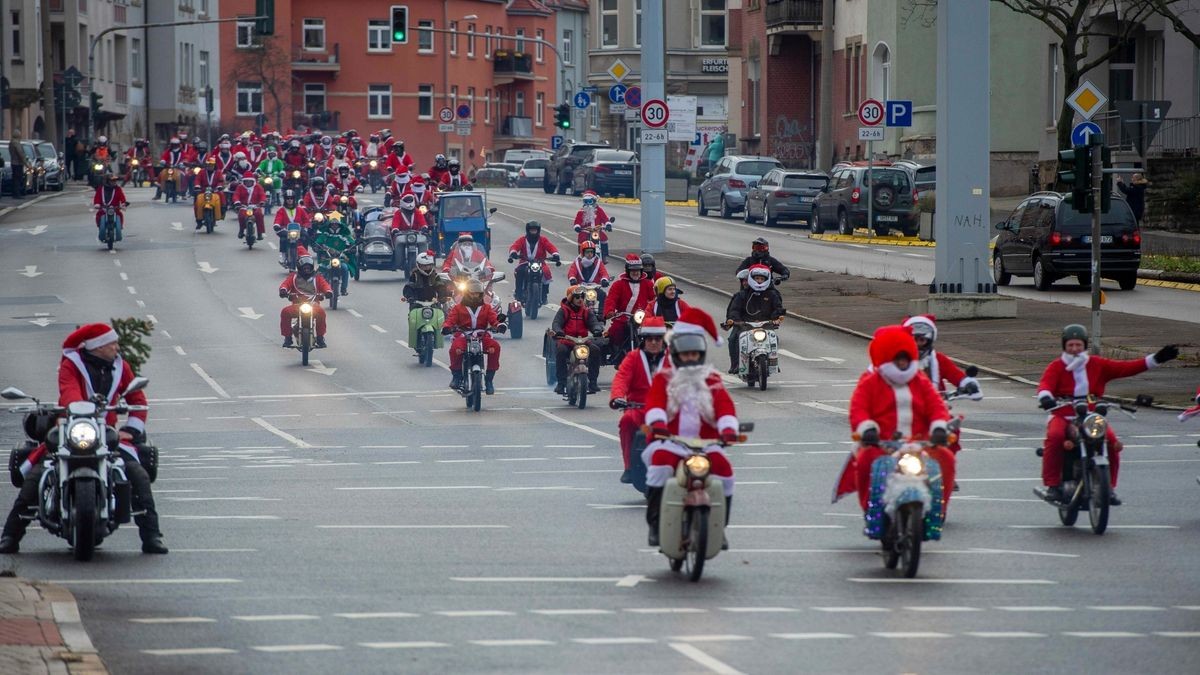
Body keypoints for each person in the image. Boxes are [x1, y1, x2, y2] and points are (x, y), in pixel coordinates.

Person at [0, 323, 167, 555]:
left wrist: (131, 429)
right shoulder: (71, 364)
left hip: (106, 432)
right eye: (112, 343)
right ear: (97, 347)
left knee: (137, 474)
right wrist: (77, 410)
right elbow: (69, 392)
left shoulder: (121, 367)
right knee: (38, 474)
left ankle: (152, 536)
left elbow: (137, 399)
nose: (117, 348)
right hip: (73, 427)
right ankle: (10, 535)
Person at [1036, 324, 1177, 505]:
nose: (1074, 349)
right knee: (1055, 437)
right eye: (1070, 345)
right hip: (1063, 415)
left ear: (1084, 345)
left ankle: (1108, 488)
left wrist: (1156, 359)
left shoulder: (1097, 364)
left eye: (1078, 345)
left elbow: (1127, 367)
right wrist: (1046, 398)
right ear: (1064, 346)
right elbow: (1045, 385)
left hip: (1091, 416)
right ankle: (1053, 486)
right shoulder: (1056, 366)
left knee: (1111, 442)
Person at [643, 308, 738, 547]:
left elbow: (724, 405)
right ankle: (655, 524)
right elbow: (655, 402)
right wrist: (658, 425)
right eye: (686, 355)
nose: (690, 358)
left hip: (706, 445)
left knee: (726, 472)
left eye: (695, 353)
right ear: (676, 354)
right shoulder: (664, 378)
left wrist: (728, 429)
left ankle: (719, 527)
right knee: (659, 466)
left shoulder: (712, 379)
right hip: (672, 443)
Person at [836, 325, 954, 511]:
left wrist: (939, 427)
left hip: (920, 443)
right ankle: (871, 510)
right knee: (867, 462)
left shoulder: (920, 381)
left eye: (906, 360)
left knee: (946, 459)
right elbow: (858, 409)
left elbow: (936, 406)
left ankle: (938, 509)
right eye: (897, 360)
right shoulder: (871, 383)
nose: (902, 364)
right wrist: (867, 429)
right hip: (883, 444)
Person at [610, 316, 669, 482]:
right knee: (626, 421)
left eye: (657, 338)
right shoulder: (633, 358)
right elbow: (621, 378)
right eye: (649, 338)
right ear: (643, 339)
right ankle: (628, 467)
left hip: (666, 410)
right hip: (638, 408)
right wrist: (617, 397)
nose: (654, 342)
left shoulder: (673, 358)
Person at [443, 278, 505, 394]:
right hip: (463, 336)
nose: (475, 296)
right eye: (472, 293)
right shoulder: (458, 308)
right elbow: (450, 320)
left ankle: (489, 380)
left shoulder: (487, 308)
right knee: (455, 349)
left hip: (482, 337)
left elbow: (494, 319)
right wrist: (446, 327)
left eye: (477, 293)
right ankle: (456, 376)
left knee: (495, 347)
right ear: (467, 294)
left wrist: (499, 325)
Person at [724, 264, 785, 374]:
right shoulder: (742, 295)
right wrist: (735, 320)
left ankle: (773, 362)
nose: (759, 281)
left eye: (762, 279)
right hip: (745, 324)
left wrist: (776, 318)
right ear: (751, 279)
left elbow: (778, 308)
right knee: (733, 339)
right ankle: (736, 364)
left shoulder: (772, 294)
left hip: (765, 324)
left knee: (774, 338)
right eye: (757, 278)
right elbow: (734, 310)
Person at [551, 285, 605, 395]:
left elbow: (594, 322)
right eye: (577, 297)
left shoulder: (586, 311)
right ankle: (561, 383)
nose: (580, 299)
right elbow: (556, 323)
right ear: (571, 298)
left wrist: (597, 329)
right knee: (560, 351)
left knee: (595, 350)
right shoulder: (564, 311)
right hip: (567, 340)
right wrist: (559, 331)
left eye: (582, 296)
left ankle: (593, 382)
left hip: (583, 341)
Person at [279, 250, 332, 349]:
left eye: (309, 268)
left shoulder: (318, 277)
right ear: (299, 268)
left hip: (314, 306)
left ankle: (320, 337)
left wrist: (328, 292)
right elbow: (285, 284)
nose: (307, 270)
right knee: (285, 312)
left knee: (322, 313)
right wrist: (283, 291)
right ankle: (287, 338)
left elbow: (325, 285)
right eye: (304, 268)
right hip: (297, 306)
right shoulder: (293, 277)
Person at [603, 254, 655, 355]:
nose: (635, 273)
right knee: (615, 331)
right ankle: (617, 350)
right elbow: (611, 299)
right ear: (628, 271)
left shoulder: (648, 284)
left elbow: (654, 299)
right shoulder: (618, 285)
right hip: (623, 317)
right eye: (633, 271)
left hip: (642, 318)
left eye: (638, 270)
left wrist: (656, 311)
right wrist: (610, 311)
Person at [507, 221, 561, 303]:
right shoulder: (522, 240)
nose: (533, 232)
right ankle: (518, 293)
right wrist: (513, 253)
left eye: (535, 230)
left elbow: (550, 247)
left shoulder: (543, 240)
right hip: (525, 262)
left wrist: (555, 254)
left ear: (538, 231)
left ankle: (544, 295)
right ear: (528, 230)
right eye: (531, 230)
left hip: (540, 262)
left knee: (546, 272)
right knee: (519, 271)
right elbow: (515, 246)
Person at [314, 214, 357, 295]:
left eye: (336, 224)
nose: (334, 226)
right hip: (327, 259)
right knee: (321, 270)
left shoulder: (345, 235)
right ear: (330, 225)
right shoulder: (325, 235)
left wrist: (352, 248)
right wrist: (317, 247)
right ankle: (321, 288)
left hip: (341, 259)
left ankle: (343, 289)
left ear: (339, 225)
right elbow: (318, 242)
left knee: (344, 268)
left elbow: (352, 243)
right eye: (332, 224)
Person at [273, 190, 312, 264]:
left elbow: (306, 220)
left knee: (305, 237)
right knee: (283, 239)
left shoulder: (300, 209)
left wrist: (306, 226)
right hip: (286, 231)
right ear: (285, 199)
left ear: (294, 199)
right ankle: (283, 255)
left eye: (291, 198)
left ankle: (305, 254)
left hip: (299, 230)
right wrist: (277, 225)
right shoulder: (281, 210)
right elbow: (278, 219)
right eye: (287, 198)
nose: (289, 200)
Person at [573, 192, 612, 257]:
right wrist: (577, 227)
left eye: (590, 201)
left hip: (597, 231)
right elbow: (577, 221)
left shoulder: (599, 210)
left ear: (594, 201)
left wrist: (608, 224)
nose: (588, 204)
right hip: (585, 231)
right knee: (582, 240)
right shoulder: (581, 212)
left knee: (604, 239)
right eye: (586, 201)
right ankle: (581, 256)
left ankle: (604, 256)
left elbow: (605, 218)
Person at [92, 173, 129, 242]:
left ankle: (119, 228)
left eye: (115, 180)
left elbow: (122, 197)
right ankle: (101, 228)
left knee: (120, 215)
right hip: (103, 209)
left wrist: (123, 204)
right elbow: (97, 197)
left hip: (115, 209)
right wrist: (97, 204)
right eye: (112, 180)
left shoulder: (118, 189)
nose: (114, 182)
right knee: (99, 215)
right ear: (107, 181)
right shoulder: (101, 189)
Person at [192, 157, 226, 228]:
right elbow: (197, 180)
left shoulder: (218, 172)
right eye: (208, 165)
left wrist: (219, 186)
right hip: (203, 190)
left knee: (221, 194)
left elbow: (221, 181)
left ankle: (223, 210)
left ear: (214, 165)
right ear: (206, 165)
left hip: (215, 190)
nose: (210, 166)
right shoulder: (201, 172)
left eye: (212, 165)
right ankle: (198, 220)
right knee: (197, 201)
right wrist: (197, 186)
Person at [232, 174, 268, 240]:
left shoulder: (258, 187)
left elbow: (262, 195)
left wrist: (262, 202)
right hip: (244, 206)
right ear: (244, 181)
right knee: (241, 215)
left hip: (255, 206)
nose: (248, 183)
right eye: (246, 181)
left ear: (253, 181)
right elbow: (236, 195)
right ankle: (241, 230)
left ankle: (260, 233)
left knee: (259, 214)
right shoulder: (240, 187)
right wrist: (237, 202)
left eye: (250, 181)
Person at [9, 130, 29, 198]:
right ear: (18, 135)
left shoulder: (11, 143)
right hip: (18, 163)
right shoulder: (16, 143)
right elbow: (20, 153)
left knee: (15, 179)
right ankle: (17, 194)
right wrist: (26, 163)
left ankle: (14, 193)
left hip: (13, 162)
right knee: (18, 179)